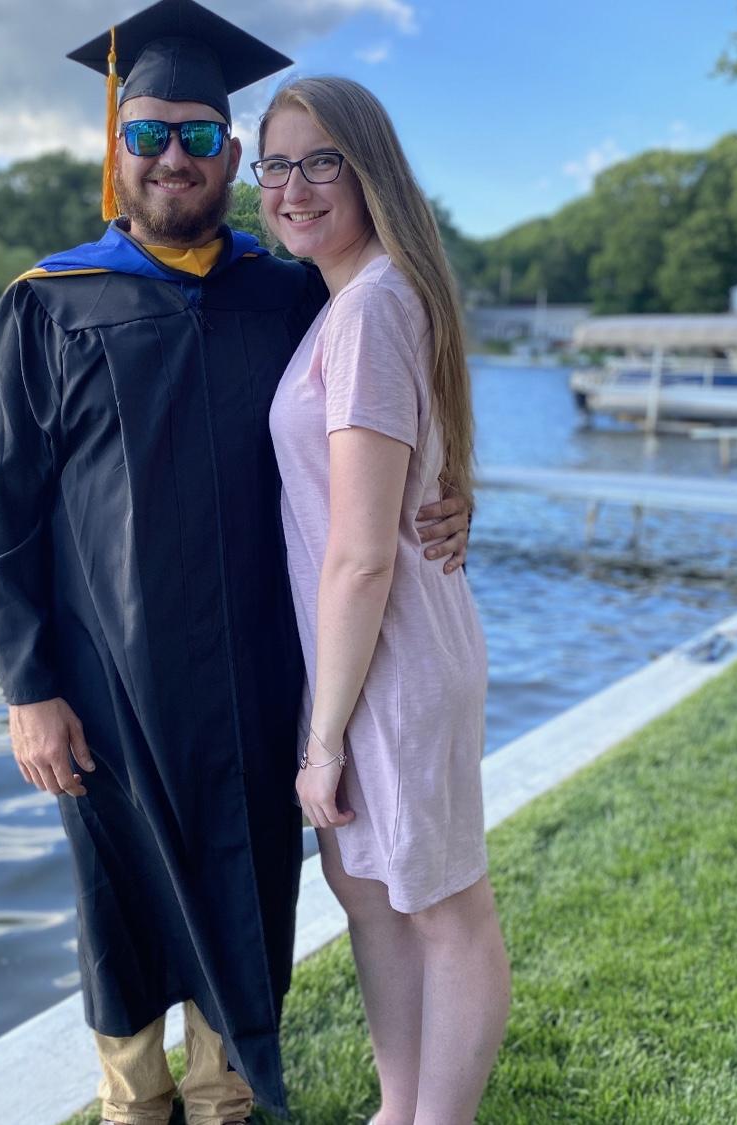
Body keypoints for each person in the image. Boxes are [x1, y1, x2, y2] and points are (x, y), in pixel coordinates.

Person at [0, 4, 471, 1122]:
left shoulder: (287, 292)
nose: (173, 158)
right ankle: (134, 1102)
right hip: (109, 680)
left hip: (263, 670)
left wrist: (452, 491)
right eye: (148, 136)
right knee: (119, 894)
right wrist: (28, 689)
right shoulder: (48, 304)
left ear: (232, 155)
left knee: (249, 882)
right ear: (117, 149)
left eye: (197, 136)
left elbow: (398, 394)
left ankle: (225, 1095)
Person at [255, 76, 511, 1125]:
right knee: (369, 896)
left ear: (369, 172)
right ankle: (394, 1108)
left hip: (392, 663)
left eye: (322, 160)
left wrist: (321, 743)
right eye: (276, 164)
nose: (294, 186)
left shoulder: (371, 307)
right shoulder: (356, 302)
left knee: (445, 910)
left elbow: (362, 555)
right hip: (363, 660)